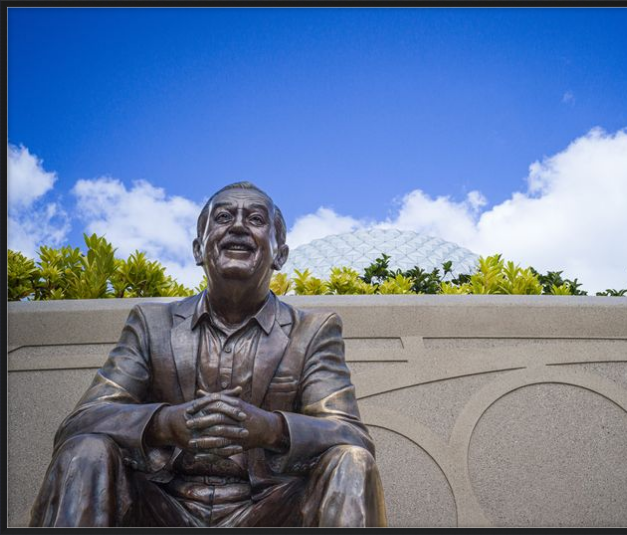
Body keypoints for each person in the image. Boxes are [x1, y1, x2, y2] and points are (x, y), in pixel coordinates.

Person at [29, 182, 387, 527]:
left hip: (270, 509)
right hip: (161, 506)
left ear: (280, 254)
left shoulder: (312, 330)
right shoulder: (152, 324)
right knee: (85, 449)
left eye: (256, 219)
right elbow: (82, 421)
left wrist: (271, 428)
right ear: (199, 249)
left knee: (351, 460)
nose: (239, 227)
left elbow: (350, 434)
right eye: (223, 217)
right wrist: (165, 423)